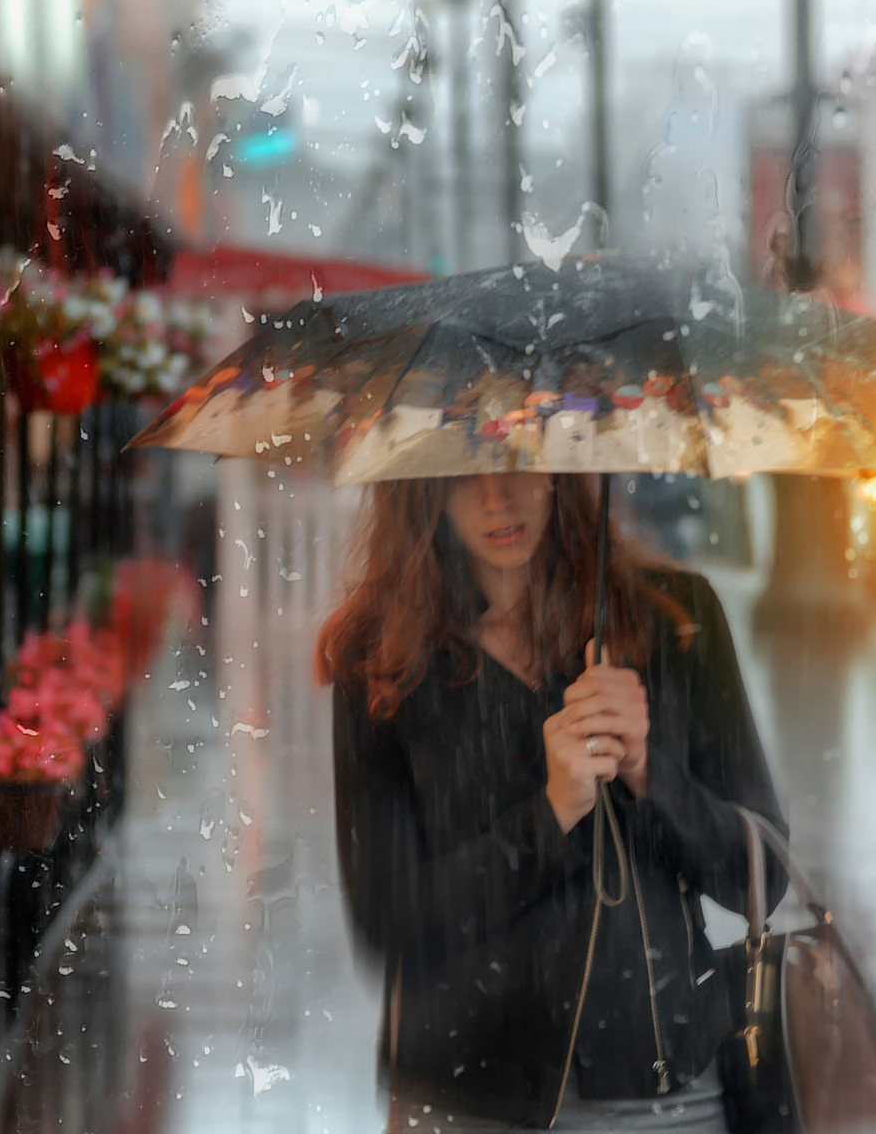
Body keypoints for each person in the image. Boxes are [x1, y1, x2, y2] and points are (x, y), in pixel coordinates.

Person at [316, 473, 789, 1133]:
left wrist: (648, 771)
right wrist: (550, 816)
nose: (495, 498)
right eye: (461, 477)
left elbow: (758, 875)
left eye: (515, 462)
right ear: (420, 489)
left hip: (660, 1089)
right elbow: (387, 921)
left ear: (563, 466)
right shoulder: (383, 658)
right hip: (467, 1097)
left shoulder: (676, 622)